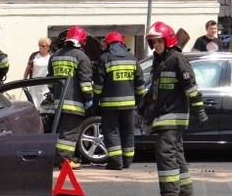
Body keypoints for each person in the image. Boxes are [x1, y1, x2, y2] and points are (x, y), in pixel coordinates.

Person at [143, 21, 208, 196]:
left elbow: (191, 88)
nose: (155, 45)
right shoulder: (160, 61)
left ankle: (170, 193)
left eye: (158, 42)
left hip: (173, 115)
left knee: (165, 153)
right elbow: (156, 89)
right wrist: (144, 104)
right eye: (153, 42)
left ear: (168, 40)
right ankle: (185, 193)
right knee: (176, 153)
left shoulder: (177, 59)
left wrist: (200, 111)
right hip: (163, 113)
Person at [92, 31, 145, 170]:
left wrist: (94, 101)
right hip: (128, 105)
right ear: (122, 43)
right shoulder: (132, 58)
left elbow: (98, 86)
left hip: (109, 105)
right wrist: (139, 101)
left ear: (108, 44)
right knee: (128, 131)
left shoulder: (105, 58)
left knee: (112, 131)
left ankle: (116, 162)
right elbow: (140, 84)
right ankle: (127, 161)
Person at [47, 26, 93, 170]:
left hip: (58, 102)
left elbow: (50, 81)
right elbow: (85, 83)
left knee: (61, 131)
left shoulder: (55, 56)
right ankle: (65, 161)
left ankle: (59, 158)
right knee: (70, 132)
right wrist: (89, 98)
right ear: (81, 41)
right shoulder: (81, 57)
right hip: (74, 102)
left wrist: (55, 94)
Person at [23, 37, 52, 108]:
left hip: (46, 85)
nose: (41, 47)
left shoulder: (51, 56)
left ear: (48, 47)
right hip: (34, 84)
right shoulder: (34, 55)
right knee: (34, 105)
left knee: (45, 105)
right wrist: (24, 81)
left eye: (43, 46)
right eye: (39, 45)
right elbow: (28, 68)